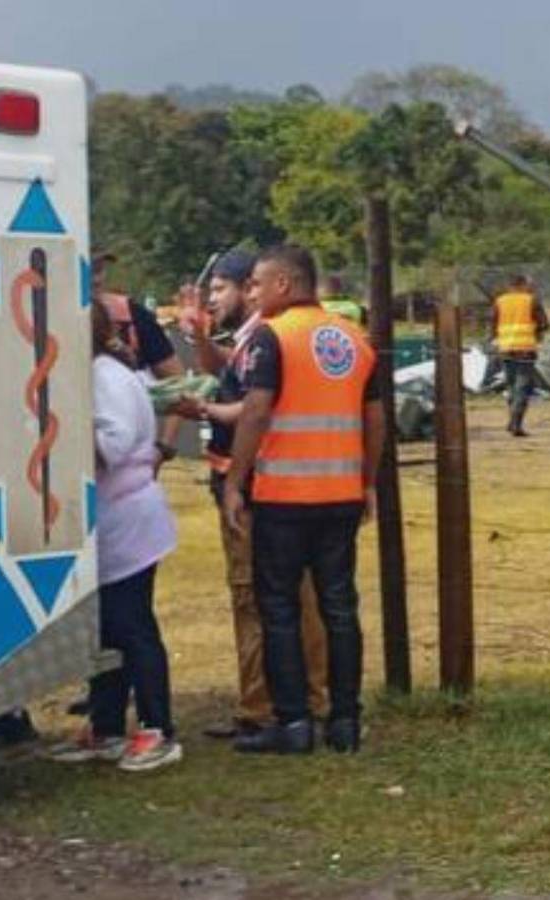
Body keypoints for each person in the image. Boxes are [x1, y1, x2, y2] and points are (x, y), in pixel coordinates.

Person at [223, 245, 384, 755]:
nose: (253, 293)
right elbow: (376, 418)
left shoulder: (275, 336)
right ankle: (345, 721)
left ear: (285, 285)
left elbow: (255, 411)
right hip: (340, 493)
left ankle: (292, 723)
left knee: (280, 608)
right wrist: (367, 479)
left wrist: (235, 480)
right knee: (339, 605)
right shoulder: (357, 339)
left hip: (284, 496)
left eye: (258, 284)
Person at [175, 249, 329, 740]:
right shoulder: (252, 339)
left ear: (256, 288)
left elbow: (255, 406)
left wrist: (210, 415)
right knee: (292, 592)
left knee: (256, 594)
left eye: (223, 289)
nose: (215, 298)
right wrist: (200, 338)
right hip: (277, 483)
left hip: (256, 482)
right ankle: (307, 695)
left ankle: (262, 704)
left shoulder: (267, 336)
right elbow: (230, 374)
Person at [50, 301, 182, 772]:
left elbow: (115, 440)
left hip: (128, 518)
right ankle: (105, 726)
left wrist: (58, 441)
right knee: (107, 629)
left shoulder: (106, 376)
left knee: (133, 627)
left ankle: (158, 728)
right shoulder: (98, 372)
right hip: (112, 521)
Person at [93, 251, 186, 465]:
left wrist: (163, 448)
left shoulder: (132, 315)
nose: (96, 279)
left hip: (128, 467)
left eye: (99, 270)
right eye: (88, 269)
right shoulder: (46, 316)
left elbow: (180, 385)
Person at [492, 274, 549, 437]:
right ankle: (515, 423)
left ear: (510, 286)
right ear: (524, 285)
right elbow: (544, 323)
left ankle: (513, 421)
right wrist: (537, 335)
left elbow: (493, 324)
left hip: (505, 348)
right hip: (525, 349)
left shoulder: (500, 301)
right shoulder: (532, 300)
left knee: (511, 386)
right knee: (522, 387)